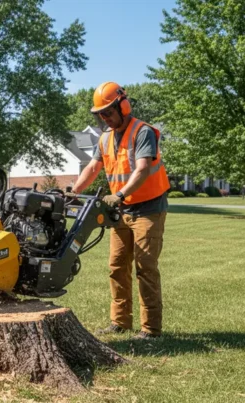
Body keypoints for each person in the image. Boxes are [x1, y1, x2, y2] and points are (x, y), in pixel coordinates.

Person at [68, 82, 171, 339]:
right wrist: (72, 193)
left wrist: (120, 194)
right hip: (121, 210)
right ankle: (120, 322)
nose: (105, 118)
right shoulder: (104, 138)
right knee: (116, 266)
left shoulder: (142, 131)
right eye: (100, 114)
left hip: (148, 209)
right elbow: (92, 169)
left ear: (123, 106)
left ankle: (151, 330)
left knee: (145, 267)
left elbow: (143, 168)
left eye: (108, 112)